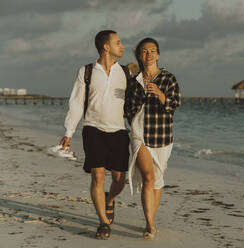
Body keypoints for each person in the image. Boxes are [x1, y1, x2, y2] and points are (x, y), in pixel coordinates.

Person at [59, 30, 130, 240]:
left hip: (119, 131)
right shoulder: (87, 71)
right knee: (97, 176)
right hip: (92, 129)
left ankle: (109, 200)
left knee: (119, 180)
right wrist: (69, 132)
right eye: (118, 42)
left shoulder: (126, 72)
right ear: (106, 47)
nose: (122, 46)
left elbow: (136, 105)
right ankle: (103, 223)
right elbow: (77, 102)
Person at [125, 37, 181, 240]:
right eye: (144, 51)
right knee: (148, 177)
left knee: (156, 180)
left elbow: (175, 104)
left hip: (162, 136)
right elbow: (128, 110)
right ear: (139, 55)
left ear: (157, 55)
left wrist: (159, 93)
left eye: (152, 51)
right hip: (139, 135)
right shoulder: (134, 81)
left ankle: (150, 219)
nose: (148, 55)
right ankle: (149, 224)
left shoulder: (168, 78)